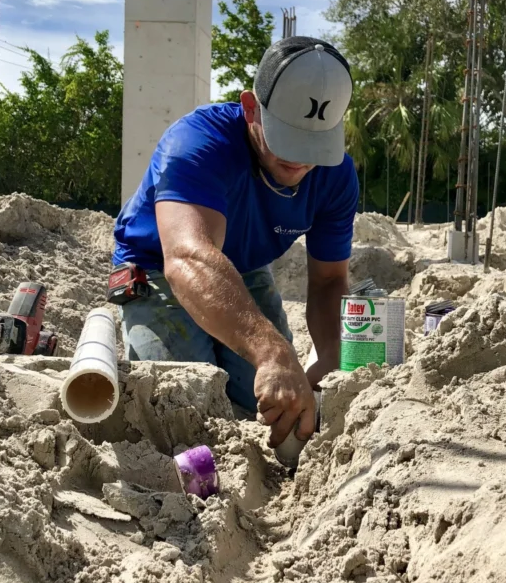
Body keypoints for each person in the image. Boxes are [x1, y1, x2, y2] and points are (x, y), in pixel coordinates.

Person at [112, 36, 358, 450]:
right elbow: (189, 259)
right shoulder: (197, 143)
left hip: (241, 266)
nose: (300, 160)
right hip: (160, 266)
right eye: (287, 138)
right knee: (184, 406)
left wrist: (333, 363)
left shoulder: (336, 175)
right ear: (250, 108)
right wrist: (271, 351)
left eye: (313, 144)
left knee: (265, 407)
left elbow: (331, 281)